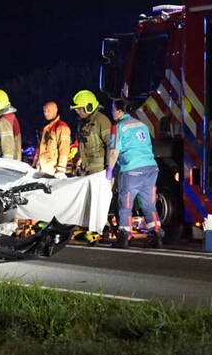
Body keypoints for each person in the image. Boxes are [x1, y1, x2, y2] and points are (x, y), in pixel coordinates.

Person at [107, 98, 163, 249]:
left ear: (119, 111)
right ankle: (156, 234)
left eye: (113, 109)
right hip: (151, 169)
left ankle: (124, 236)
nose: (112, 112)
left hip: (132, 170)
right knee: (149, 204)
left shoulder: (118, 127)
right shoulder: (142, 125)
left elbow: (113, 152)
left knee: (125, 204)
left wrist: (110, 171)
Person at [70, 90, 111, 175]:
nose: (76, 111)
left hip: (99, 171)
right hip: (86, 169)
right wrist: (76, 160)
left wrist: (109, 167)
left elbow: (110, 145)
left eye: (79, 108)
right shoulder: (82, 124)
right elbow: (81, 146)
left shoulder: (101, 121)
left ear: (89, 107)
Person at [34, 101, 71, 177]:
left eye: (48, 111)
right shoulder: (45, 128)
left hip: (53, 170)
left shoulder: (61, 127)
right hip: (43, 168)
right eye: (44, 111)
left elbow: (64, 149)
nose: (46, 113)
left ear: (55, 111)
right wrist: (35, 164)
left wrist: (61, 169)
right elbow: (40, 147)